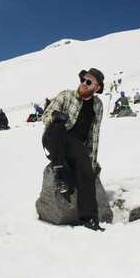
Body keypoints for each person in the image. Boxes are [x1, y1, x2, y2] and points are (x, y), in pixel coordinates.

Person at [41, 67, 106, 231]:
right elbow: (45, 116)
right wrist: (56, 117)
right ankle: (62, 172)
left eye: (89, 81)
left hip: (75, 145)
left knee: (86, 171)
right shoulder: (66, 95)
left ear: (97, 87)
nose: (84, 83)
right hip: (54, 137)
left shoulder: (97, 105)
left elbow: (94, 135)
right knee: (57, 126)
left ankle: (89, 218)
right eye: (83, 79)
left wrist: (91, 162)